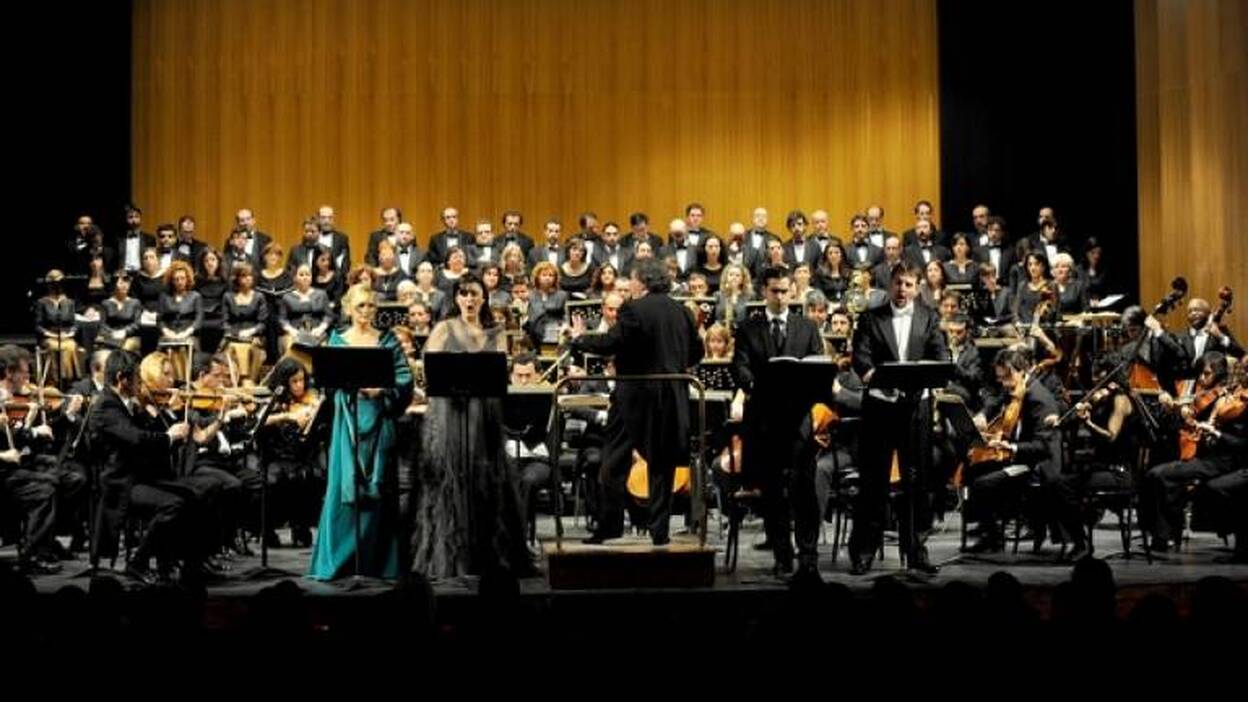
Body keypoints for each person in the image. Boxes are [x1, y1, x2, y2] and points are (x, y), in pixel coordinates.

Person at [569, 257, 704, 546]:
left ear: (641, 281)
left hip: (635, 395)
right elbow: (697, 353)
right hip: (672, 395)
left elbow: (611, 342)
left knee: (614, 460)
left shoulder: (633, 309)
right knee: (662, 464)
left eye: (631, 279)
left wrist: (580, 338)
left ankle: (610, 525)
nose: (629, 284)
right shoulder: (683, 312)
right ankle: (659, 531)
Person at [410, 272, 533, 578]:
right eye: (463, 294)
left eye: (474, 294)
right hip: (450, 416)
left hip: (484, 418)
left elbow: (499, 374)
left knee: (485, 482)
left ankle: (485, 557)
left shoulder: (496, 333)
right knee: (452, 483)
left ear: (484, 297)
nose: (469, 299)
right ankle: (454, 558)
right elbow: (431, 371)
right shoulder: (443, 328)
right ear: (456, 298)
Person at [847, 262, 948, 575]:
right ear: (890, 285)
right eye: (898, 283)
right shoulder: (870, 317)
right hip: (880, 407)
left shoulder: (929, 317)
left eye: (908, 284)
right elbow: (860, 357)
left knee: (917, 482)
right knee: (873, 482)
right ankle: (864, 551)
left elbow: (940, 356)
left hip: (915, 410)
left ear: (917, 287)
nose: (902, 289)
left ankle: (916, 551)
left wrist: (922, 379)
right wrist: (876, 377)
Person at [307, 283, 413, 580]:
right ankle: (341, 564)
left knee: (378, 495)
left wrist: (382, 390)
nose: (366, 312)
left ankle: (377, 564)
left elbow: (404, 379)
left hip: (379, 421)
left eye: (371, 306)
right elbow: (325, 382)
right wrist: (344, 387)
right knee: (344, 489)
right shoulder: (337, 340)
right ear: (348, 309)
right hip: (347, 423)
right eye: (360, 306)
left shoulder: (388, 340)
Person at [731, 266, 826, 577]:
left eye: (785, 291)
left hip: (798, 419)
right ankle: (783, 555)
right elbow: (740, 367)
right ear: (764, 291)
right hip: (765, 420)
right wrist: (757, 385)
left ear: (792, 291)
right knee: (773, 492)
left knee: (805, 490)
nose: (781, 296)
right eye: (775, 291)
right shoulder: (748, 328)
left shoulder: (807, 327)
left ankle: (808, 556)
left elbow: (818, 364)